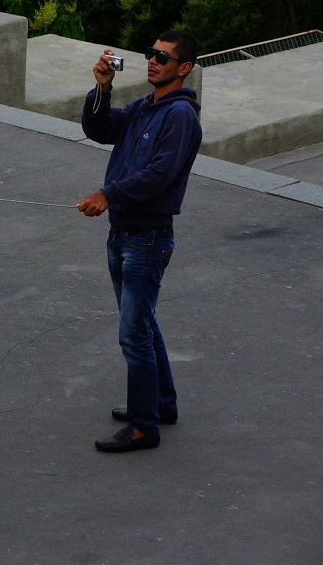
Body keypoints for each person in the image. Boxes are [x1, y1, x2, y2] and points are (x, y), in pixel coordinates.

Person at [78, 32, 202, 453]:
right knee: (143, 323)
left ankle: (143, 426)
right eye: (150, 54)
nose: (152, 61)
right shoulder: (144, 108)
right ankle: (161, 405)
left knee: (133, 333)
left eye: (162, 57)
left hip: (147, 238)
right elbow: (100, 128)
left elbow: (160, 175)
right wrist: (102, 88)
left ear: (183, 68)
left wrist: (108, 194)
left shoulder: (180, 116)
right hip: (124, 233)